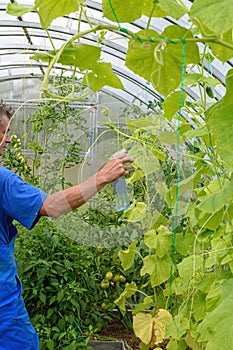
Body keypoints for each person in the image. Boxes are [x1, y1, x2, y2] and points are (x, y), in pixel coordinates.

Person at [0, 99, 134, 350]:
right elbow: (53, 206)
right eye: (4, 132)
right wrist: (103, 177)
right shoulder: (3, 181)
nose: (8, 139)